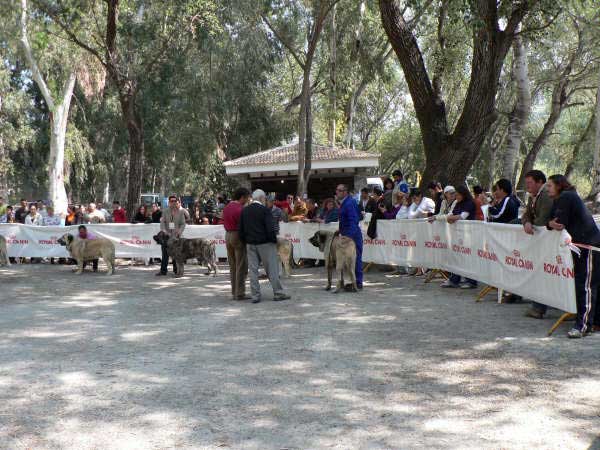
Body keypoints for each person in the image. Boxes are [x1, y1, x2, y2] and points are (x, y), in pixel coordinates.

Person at [546, 175, 600, 338]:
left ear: (559, 186)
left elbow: (559, 222)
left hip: (588, 245)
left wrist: (551, 223)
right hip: (582, 246)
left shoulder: (566, 197)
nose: (547, 189)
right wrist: (550, 223)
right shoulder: (560, 198)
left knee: (585, 286)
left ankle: (583, 325)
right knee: (590, 284)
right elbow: (549, 220)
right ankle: (593, 322)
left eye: (549, 186)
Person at [239, 189, 290, 303]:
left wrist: (246, 241)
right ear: (262, 198)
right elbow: (270, 229)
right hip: (266, 243)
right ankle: (278, 293)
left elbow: (241, 230)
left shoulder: (244, 211)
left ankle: (255, 296)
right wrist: (274, 241)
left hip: (250, 244)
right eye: (265, 198)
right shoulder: (265, 210)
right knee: (272, 269)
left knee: (253, 271)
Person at [518, 171, 555, 319]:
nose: (527, 186)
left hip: (549, 240)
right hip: (543, 241)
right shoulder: (533, 196)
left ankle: (539, 307)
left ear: (540, 182)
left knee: (544, 273)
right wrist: (526, 222)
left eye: (530, 183)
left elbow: (542, 220)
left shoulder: (545, 196)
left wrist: (531, 223)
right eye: (526, 183)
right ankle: (538, 306)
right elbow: (526, 214)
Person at [439, 185, 478, 289]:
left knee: (468, 258)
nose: (456, 196)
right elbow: (451, 215)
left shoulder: (470, 203)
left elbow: (462, 216)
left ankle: (471, 281)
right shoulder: (458, 203)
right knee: (456, 258)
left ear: (464, 194)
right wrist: (451, 217)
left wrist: (452, 218)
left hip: (468, 235)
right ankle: (454, 279)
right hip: (457, 235)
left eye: (458, 194)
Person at [223, 187, 251, 300]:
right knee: (241, 265)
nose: (248, 200)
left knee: (233, 265)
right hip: (237, 235)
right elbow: (244, 226)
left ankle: (234, 291)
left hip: (228, 235)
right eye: (247, 198)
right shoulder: (241, 209)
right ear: (242, 197)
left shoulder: (227, 207)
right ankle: (240, 293)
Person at [336, 184, 363, 290]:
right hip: (348, 233)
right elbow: (359, 216)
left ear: (345, 192)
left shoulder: (349, 203)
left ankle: (358, 283)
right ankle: (353, 282)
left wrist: (349, 237)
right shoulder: (346, 203)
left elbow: (354, 220)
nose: (337, 192)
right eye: (337, 190)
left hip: (352, 235)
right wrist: (341, 230)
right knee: (349, 260)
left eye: (339, 190)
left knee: (355, 259)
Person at [156, 195, 187, 276]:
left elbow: (183, 224)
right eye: (171, 201)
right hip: (166, 237)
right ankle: (163, 271)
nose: (173, 202)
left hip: (177, 237)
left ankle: (176, 270)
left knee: (176, 254)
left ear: (176, 202)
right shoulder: (165, 211)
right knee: (165, 254)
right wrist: (164, 231)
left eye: (174, 201)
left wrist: (180, 232)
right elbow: (162, 223)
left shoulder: (181, 211)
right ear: (169, 202)